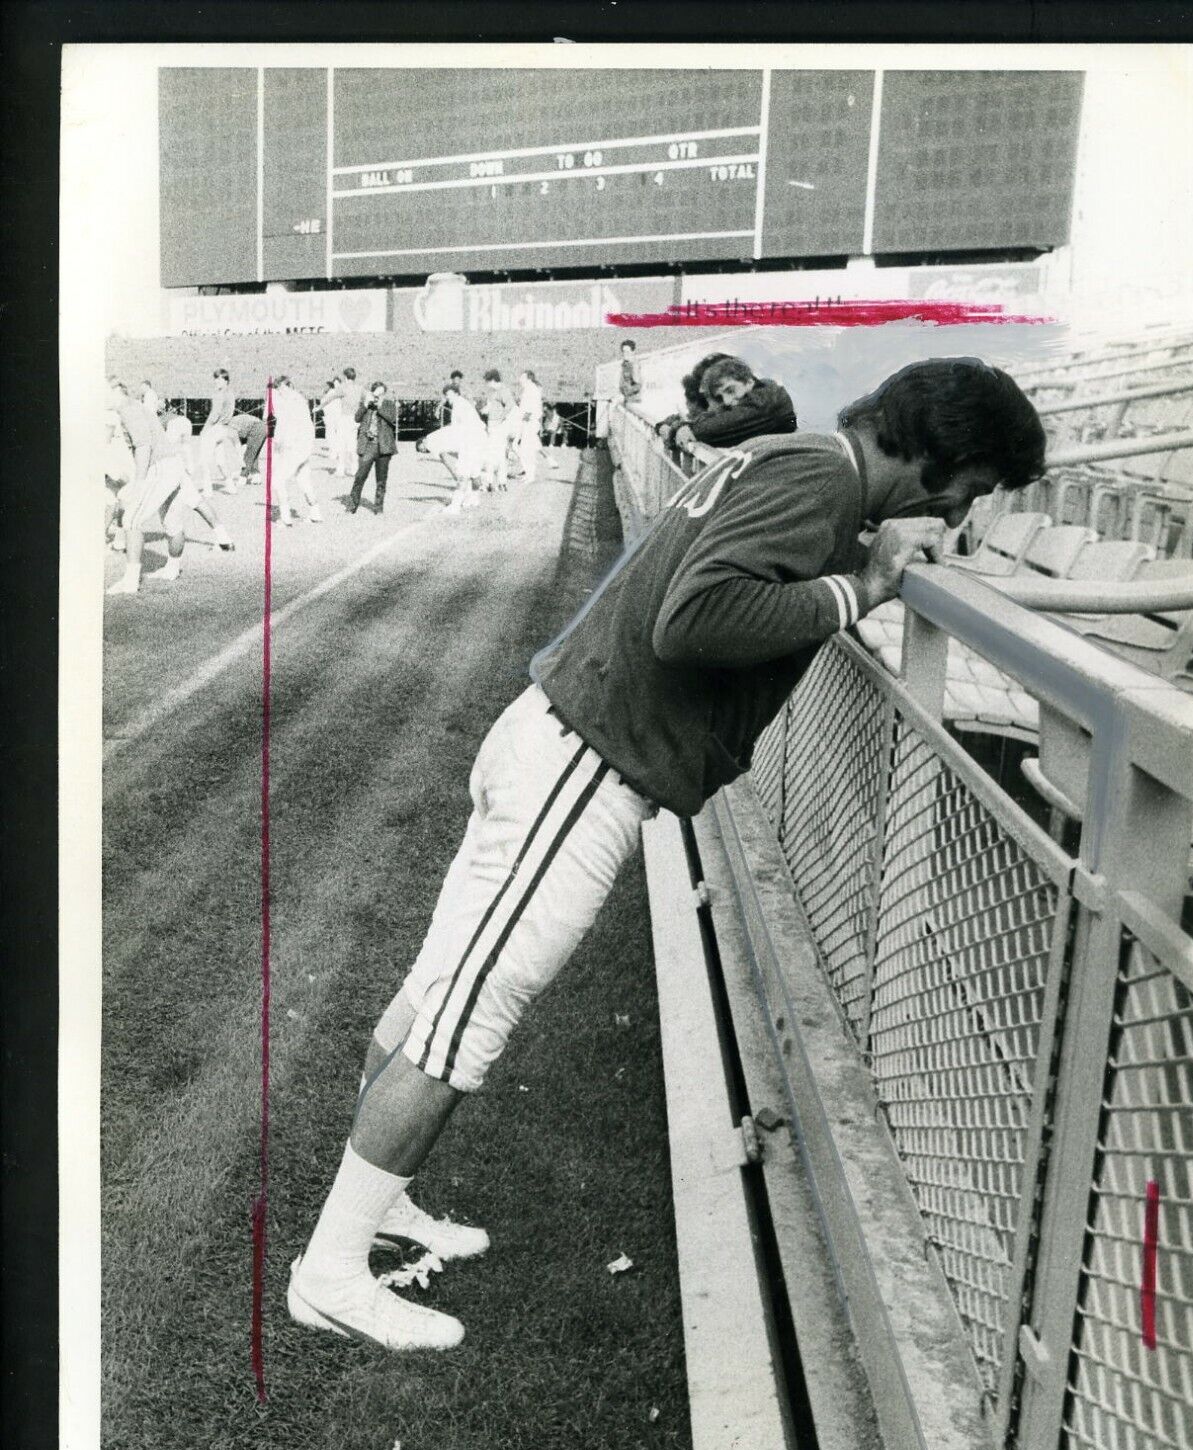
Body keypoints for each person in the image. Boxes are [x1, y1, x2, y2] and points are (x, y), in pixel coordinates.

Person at [286, 357, 1047, 1350]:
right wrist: (855, 591)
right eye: (976, 485)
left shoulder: (805, 459)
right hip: (586, 761)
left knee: (441, 990)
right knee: (465, 1020)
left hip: (562, 740)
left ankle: (376, 1210)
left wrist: (845, 573)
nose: (965, 508)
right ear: (947, 455)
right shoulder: (823, 477)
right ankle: (331, 1270)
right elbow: (694, 620)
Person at [105, 377, 233, 595]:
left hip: (161, 467)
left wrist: (139, 481)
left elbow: (143, 445)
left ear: (115, 390)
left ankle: (130, 582)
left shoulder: (128, 408)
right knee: (172, 522)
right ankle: (172, 569)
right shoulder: (136, 406)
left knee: (131, 521)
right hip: (173, 464)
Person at [667, 355, 796, 452]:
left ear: (749, 382)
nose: (727, 401)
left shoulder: (766, 402)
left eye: (730, 390)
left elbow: (712, 429)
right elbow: (714, 416)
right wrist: (682, 426)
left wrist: (686, 429)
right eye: (721, 396)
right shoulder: (755, 395)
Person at [419, 382, 488, 514]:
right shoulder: (463, 404)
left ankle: (455, 506)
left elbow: (457, 430)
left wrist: (456, 456)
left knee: (463, 475)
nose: (447, 397)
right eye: (445, 395)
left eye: (449, 394)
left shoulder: (459, 405)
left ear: (456, 394)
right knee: (474, 473)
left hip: (471, 441)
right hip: (478, 440)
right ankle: (474, 498)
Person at [270, 375, 323, 527]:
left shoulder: (290, 401)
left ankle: (285, 518)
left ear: (285, 386)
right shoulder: (299, 399)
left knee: (277, 480)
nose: (279, 393)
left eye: (279, 389)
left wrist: (280, 444)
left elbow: (285, 428)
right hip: (303, 447)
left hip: (294, 448)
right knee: (303, 479)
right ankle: (315, 512)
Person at [347, 381, 399, 515]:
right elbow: (356, 418)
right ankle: (352, 506)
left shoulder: (388, 404)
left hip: (384, 446)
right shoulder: (366, 405)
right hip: (368, 445)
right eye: (376, 394)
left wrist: (380, 406)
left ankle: (378, 508)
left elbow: (392, 418)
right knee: (360, 477)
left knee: (381, 479)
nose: (378, 397)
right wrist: (365, 405)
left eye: (381, 394)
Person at [199, 368, 238, 494]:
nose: (216, 381)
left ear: (225, 380)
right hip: (224, 429)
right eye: (215, 378)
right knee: (220, 460)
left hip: (215, 429)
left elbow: (214, 414)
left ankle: (207, 490)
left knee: (204, 459)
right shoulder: (231, 394)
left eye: (219, 379)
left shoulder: (218, 394)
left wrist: (204, 430)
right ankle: (231, 487)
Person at [480, 368, 513, 492]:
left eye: (487, 382)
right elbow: (492, 406)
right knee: (493, 454)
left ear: (492, 380)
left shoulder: (503, 390)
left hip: (498, 426)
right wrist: (485, 411)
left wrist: (500, 418)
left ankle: (500, 481)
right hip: (492, 425)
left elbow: (510, 405)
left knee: (497, 454)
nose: (487, 385)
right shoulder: (493, 392)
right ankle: (493, 482)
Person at [226, 409, 268, 488]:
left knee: (249, 455)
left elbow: (237, 444)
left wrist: (240, 456)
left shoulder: (230, 426)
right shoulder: (234, 423)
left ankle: (242, 478)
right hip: (262, 427)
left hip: (257, 428)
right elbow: (242, 442)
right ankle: (256, 477)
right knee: (253, 454)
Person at [336, 368, 364, 477]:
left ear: (345, 377)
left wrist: (319, 406)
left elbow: (330, 397)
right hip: (354, 419)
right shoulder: (359, 388)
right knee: (352, 445)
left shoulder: (342, 387)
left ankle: (340, 470)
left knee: (341, 445)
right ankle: (354, 469)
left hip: (344, 418)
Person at [316, 378, 345, 476]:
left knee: (331, 434)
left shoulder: (333, 394)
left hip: (332, 417)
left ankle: (334, 452)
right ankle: (334, 452)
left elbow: (324, 403)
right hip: (331, 416)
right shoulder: (333, 393)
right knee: (332, 434)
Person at [617, 339, 641, 404]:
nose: (625, 354)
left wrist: (625, 394)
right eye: (624, 352)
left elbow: (638, 386)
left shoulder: (634, 365)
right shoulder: (625, 365)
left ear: (633, 352)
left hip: (634, 401)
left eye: (627, 352)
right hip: (627, 400)